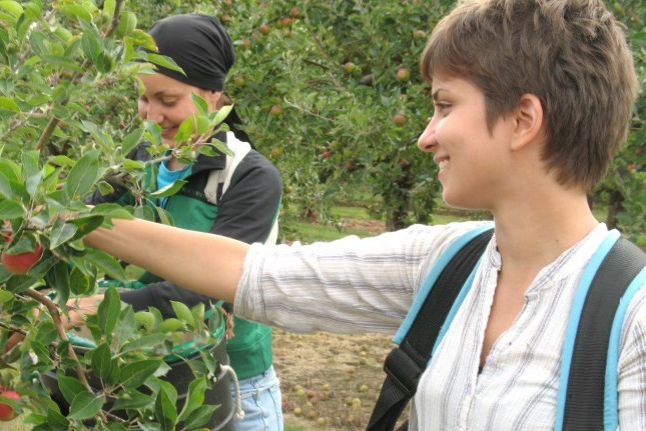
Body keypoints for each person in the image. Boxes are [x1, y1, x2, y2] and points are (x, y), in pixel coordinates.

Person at [79, 0, 644, 429]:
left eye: (445, 105)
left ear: (523, 120)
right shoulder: (448, 264)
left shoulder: (631, 320)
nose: (426, 137)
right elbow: (258, 274)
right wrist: (71, 216)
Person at [73, 14, 284, 431]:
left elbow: (205, 288)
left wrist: (92, 306)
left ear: (213, 94)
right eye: (143, 99)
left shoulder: (249, 177)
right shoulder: (138, 164)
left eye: (167, 101)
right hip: (148, 374)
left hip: (235, 384)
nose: (152, 116)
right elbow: (78, 225)